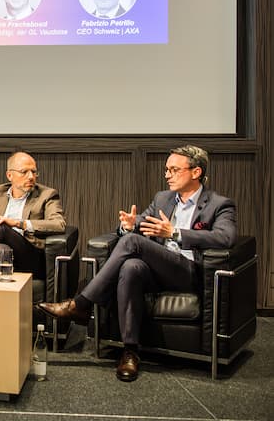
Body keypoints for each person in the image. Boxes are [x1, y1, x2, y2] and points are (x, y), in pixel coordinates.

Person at [38, 145, 237, 382]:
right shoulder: (162, 198)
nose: (167, 175)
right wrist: (128, 225)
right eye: (166, 170)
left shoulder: (219, 203)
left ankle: (81, 303)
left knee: (133, 243)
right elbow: (139, 222)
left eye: (174, 169)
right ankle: (130, 351)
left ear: (196, 172)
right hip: (157, 270)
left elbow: (226, 237)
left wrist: (175, 233)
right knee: (131, 267)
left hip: (189, 271)